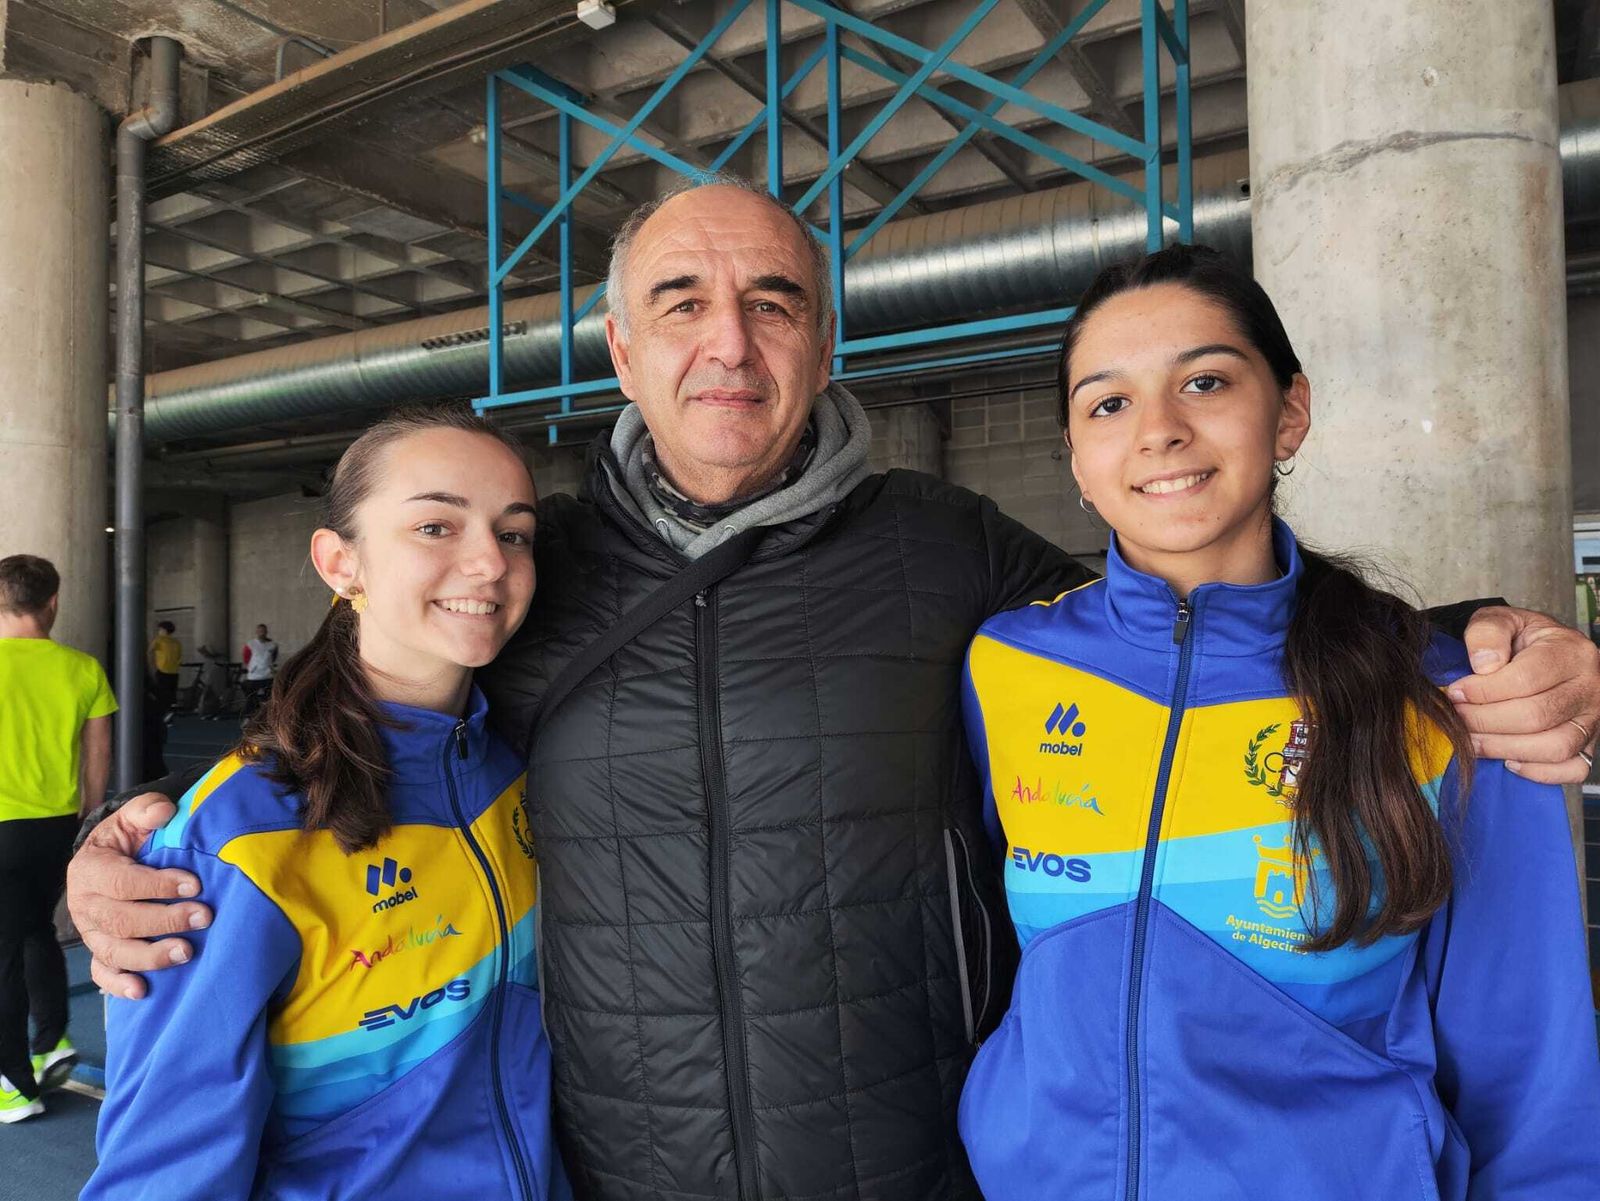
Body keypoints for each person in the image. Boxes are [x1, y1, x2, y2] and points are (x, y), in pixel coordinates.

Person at [68, 179, 1600, 1201]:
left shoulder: (956, 558)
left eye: (775, 305)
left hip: (914, 1163)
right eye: (679, 301)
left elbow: (1195, 603)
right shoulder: (541, 575)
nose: (727, 343)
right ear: (621, 344)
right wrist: (137, 848)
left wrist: (1477, 642)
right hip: (627, 1171)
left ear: (822, 338)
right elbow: (389, 743)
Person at [959, 245, 1600, 1199]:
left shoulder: (1445, 695)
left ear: (1288, 411)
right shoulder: (1004, 664)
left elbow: (1530, 1070)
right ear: (1076, 458)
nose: (1159, 431)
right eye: (1109, 403)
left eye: (1205, 381)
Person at [84, 408, 555, 1200]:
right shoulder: (235, 838)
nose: (488, 562)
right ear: (340, 561)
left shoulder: (517, 763)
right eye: (436, 526)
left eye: (514, 534)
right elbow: (159, 1176)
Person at [0, 554, 115, 1123]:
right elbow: (98, 760)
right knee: (33, 931)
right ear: (52, 603)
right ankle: (51, 1040)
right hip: (53, 827)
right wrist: (88, 819)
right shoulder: (83, 669)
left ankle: (13, 1085)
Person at [240, 623, 278, 716]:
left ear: (266, 632)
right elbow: (246, 658)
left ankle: (268, 715)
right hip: (254, 676)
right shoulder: (250, 644)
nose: (262, 633)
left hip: (268, 675)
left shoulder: (273, 645)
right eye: (260, 631)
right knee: (251, 697)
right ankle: (249, 715)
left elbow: (273, 658)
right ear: (257, 632)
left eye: (264, 631)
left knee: (269, 697)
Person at [147, 621, 181, 717]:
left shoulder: (159, 640)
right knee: (171, 694)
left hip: (162, 670)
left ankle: (163, 714)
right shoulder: (176, 642)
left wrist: (151, 665)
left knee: (161, 694)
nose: (159, 631)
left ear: (164, 630)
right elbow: (179, 657)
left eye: (160, 629)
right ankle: (170, 712)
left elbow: (149, 651)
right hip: (174, 671)